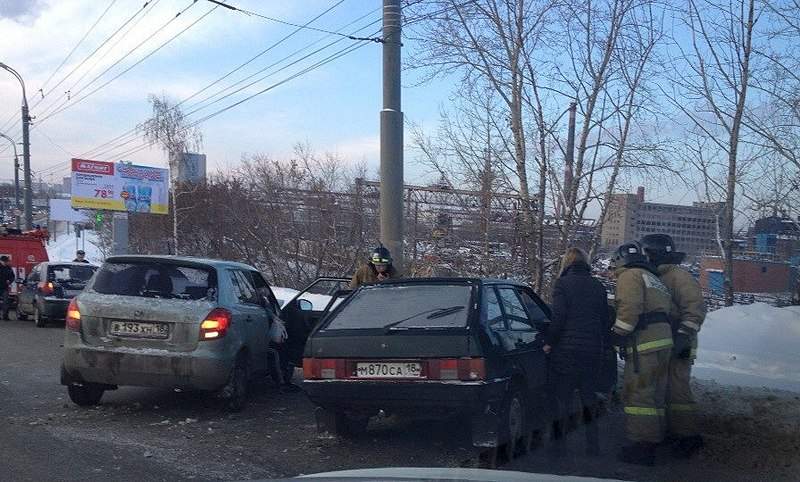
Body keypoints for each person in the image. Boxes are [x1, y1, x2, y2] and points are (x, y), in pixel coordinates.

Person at [641, 233, 706, 458]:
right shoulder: (656, 276)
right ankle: (673, 431)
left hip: (682, 343)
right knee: (664, 390)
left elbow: (695, 310)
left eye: (646, 253)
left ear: (655, 254)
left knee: (678, 392)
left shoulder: (679, 277)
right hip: (666, 342)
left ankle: (689, 437)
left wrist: (682, 336)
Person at [611, 241, 674, 466]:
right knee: (656, 395)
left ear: (620, 260)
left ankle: (641, 446)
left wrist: (618, 333)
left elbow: (630, 307)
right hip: (664, 341)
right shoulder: (653, 277)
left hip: (644, 343)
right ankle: (654, 439)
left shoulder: (629, 276)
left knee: (639, 394)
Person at [544, 247, 609, 456]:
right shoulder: (598, 286)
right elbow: (604, 319)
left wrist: (549, 342)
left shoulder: (563, 284)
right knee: (589, 398)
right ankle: (593, 446)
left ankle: (558, 448)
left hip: (567, 351)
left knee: (561, 399)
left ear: (567, 263)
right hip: (592, 351)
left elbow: (558, 318)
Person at [0, 255, 15, 320]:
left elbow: (12, 276)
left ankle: (5, 316)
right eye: (5, 262)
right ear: (1, 261)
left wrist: (10, 281)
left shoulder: (8, 268)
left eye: (7, 262)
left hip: (4, 287)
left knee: (6, 302)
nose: (6, 263)